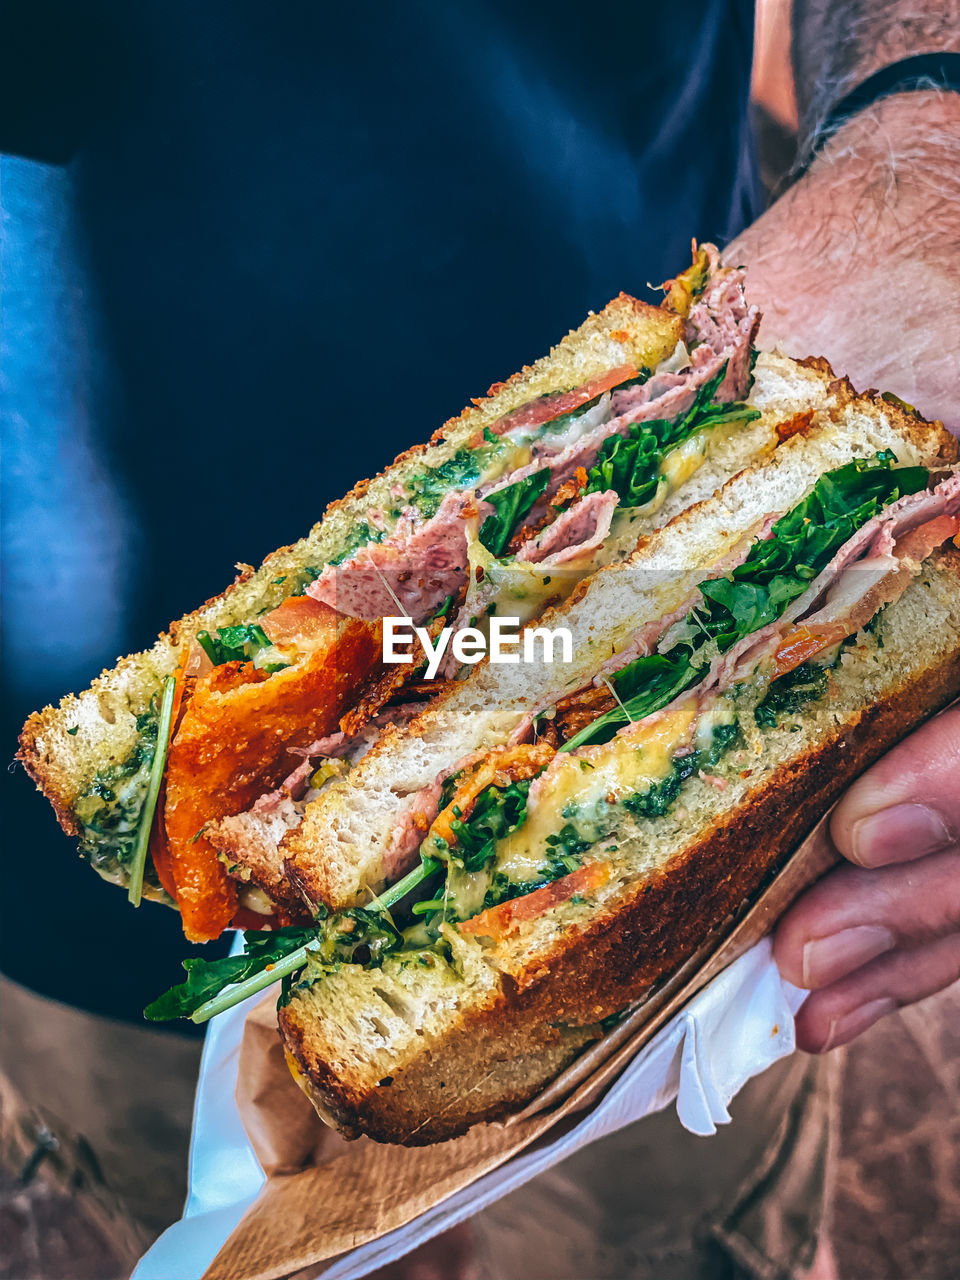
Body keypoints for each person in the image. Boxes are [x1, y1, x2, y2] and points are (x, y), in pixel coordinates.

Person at [1, 2, 958, 1277]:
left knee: (657, 1239)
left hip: (692, 941)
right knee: (155, 1185)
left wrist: (928, 130)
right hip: (58, 904)